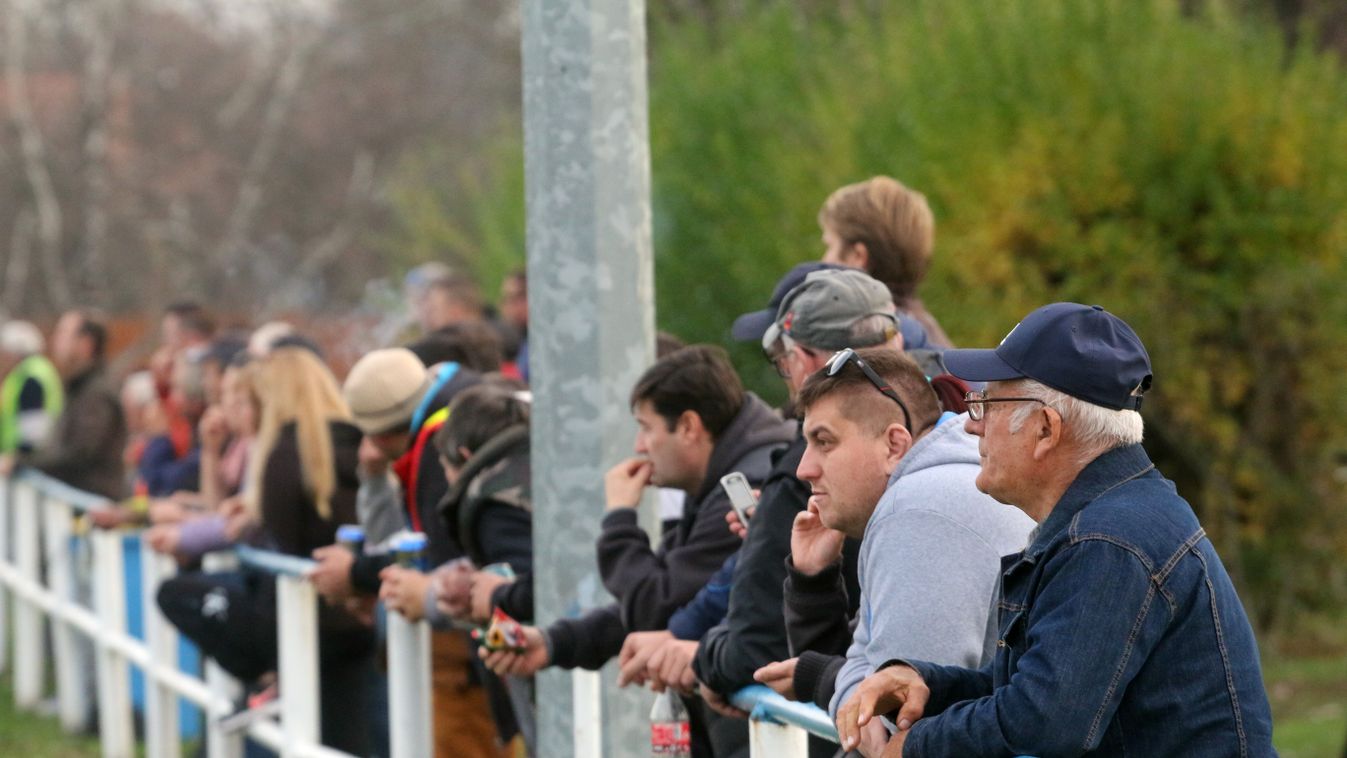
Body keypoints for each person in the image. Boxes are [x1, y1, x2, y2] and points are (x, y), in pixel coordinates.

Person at [834, 303, 1276, 757]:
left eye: (986, 403)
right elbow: (1036, 685)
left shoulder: (1109, 540)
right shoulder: (1108, 520)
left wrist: (915, 747)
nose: (970, 424)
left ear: (1045, 429)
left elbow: (1045, 720)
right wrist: (928, 683)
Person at [481, 345, 795, 755]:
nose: (639, 445)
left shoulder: (742, 484)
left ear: (688, 426)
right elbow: (678, 605)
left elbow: (658, 607)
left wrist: (618, 520)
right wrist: (555, 642)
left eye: (646, 428)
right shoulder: (726, 477)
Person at [785, 347, 1032, 755]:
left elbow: (892, 723)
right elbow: (866, 686)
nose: (804, 468)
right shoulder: (938, 488)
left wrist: (853, 692)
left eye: (824, 442)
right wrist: (814, 582)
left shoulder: (921, 509)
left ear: (894, 444)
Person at [156, 346, 374, 754]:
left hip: (305, 623)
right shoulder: (361, 447)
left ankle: (267, 679)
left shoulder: (281, 458)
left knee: (173, 593)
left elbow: (286, 545)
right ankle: (274, 679)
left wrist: (252, 517)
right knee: (348, 741)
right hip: (357, 621)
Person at [1, 310, 126, 499]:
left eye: (63, 334)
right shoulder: (78, 387)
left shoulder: (96, 394)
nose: (54, 341)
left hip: (92, 503)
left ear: (85, 344)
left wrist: (21, 462)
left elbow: (78, 454)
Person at [818, 176, 952, 348]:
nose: (824, 260)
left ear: (858, 256)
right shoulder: (930, 339)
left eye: (830, 245)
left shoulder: (866, 346)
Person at [0, 320, 64, 454]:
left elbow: (33, 426)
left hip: (25, 459)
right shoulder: (35, 369)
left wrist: (17, 458)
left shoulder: (30, 376)